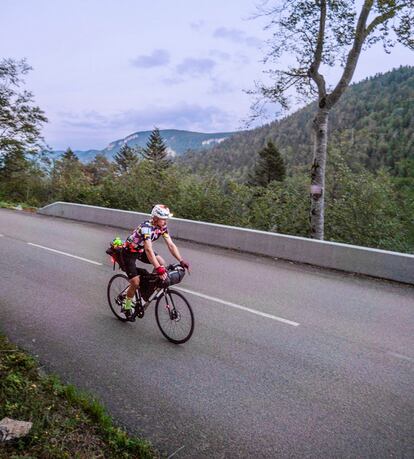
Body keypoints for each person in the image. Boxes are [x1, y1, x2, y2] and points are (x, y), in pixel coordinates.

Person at [121, 204, 190, 319]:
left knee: (161, 262)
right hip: (129, 253)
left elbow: (171, 245)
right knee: (135, 282)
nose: (166, 221)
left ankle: (149, 286)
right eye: (164, 219)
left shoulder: (162, 228)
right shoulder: (146, 228)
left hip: (140, 250)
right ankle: (126, 304)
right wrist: (158, 268)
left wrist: (181, 260)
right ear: (156, 218)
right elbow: (148, 249)